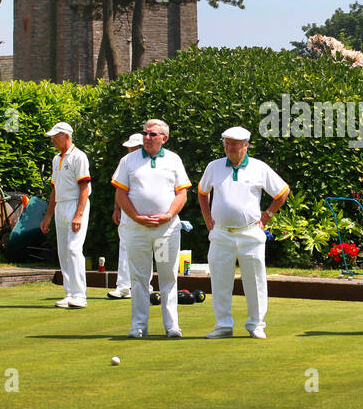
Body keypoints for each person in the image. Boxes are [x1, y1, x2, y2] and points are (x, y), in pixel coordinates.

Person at [198, 126, 291, 339]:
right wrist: (207, 219)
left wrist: (267, 215)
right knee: (220, 280)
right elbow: (203, 192)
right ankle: (223, 326)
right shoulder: (214, 167)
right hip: (221, 234)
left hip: (250, 233)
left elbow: (282, 191)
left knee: (255, 281)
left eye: (234, 144)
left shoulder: (259, 167)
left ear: (245, 145)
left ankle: (256, 325)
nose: (229, 148)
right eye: (226, 143)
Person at [112, 119, 192, 338]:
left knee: (168, 276)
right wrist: (137, 217)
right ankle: (139, 326)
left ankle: (172, 326)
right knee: (138, 278)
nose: (147, 137)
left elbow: (182, 193)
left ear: (164, 138)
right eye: (145, 133)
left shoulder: (174, 160)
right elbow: (121, 193)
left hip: (165, 232)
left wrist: (167, 215)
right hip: (137, 231)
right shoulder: (128, 160)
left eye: (152, 134)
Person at [40, 121, 91, 309]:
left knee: (73, 249)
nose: (53, 139)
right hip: (61, 206)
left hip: (75, 205)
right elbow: (55, 190)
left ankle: (80, 295)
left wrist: (78, 214)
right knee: (63, 251)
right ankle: (69, 293)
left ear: (66, 136)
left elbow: (84, 188)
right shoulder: (56, 159)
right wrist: (48, 217)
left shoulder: (79, 157)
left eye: (56, 136)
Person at [107, 132, 148, 300]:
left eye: (132, 147)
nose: (130, 150)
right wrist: (117, 209)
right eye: (129, 148)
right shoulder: (125, 162)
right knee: (125, 247)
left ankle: (146, 286)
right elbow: (119, 188)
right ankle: (123, 286)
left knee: (148, 248)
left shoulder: (154, 163)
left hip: (148, 213)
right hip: (127, 213)